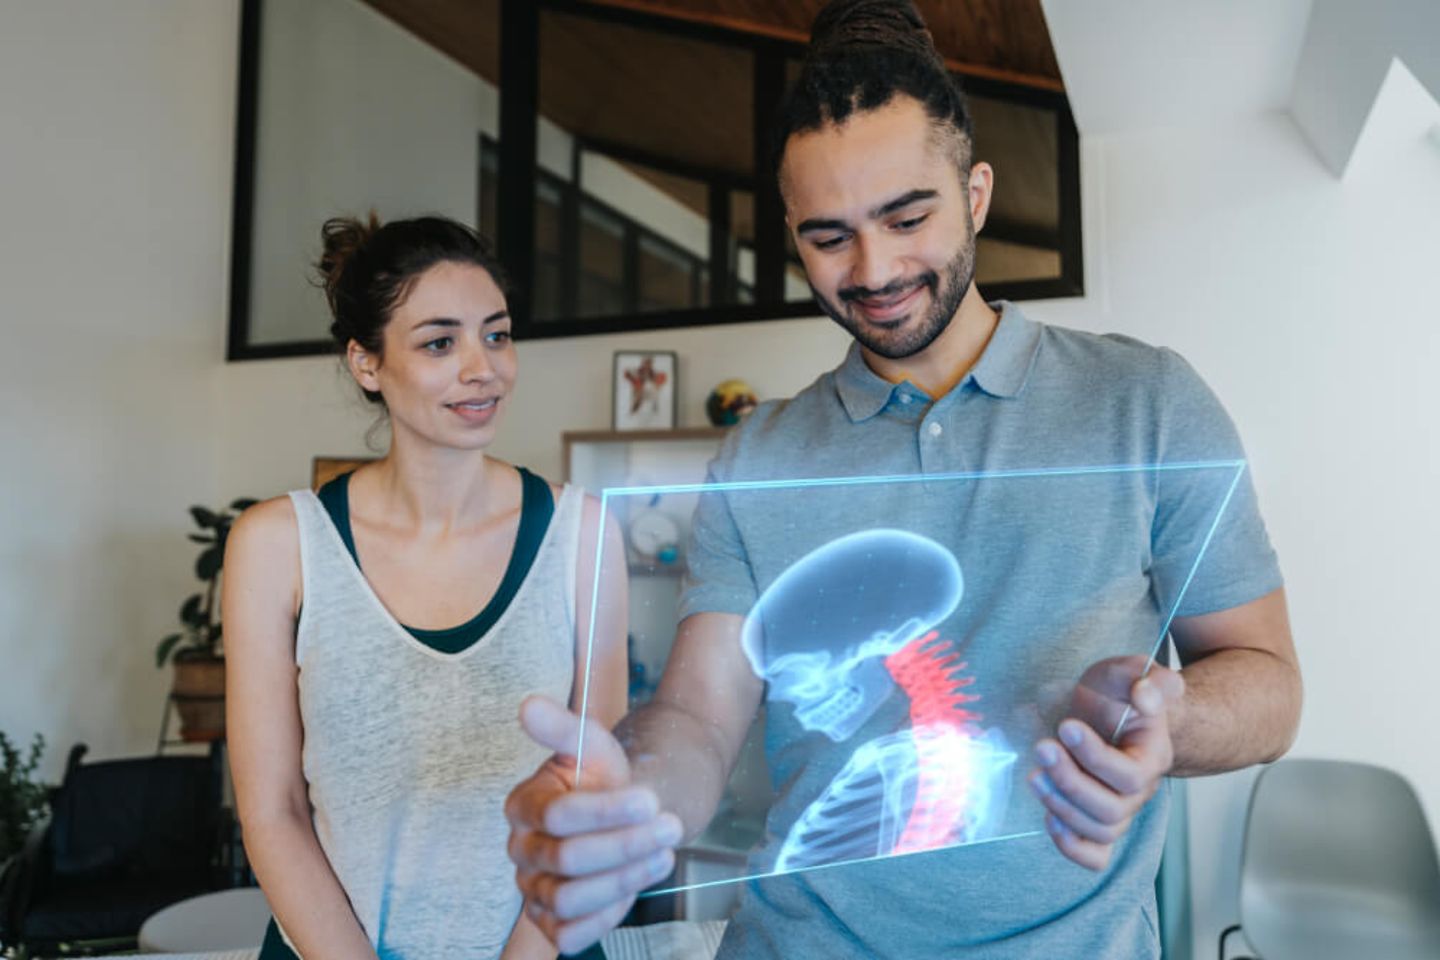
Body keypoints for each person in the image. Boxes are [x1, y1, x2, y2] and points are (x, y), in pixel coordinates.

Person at [504, 1, 1302, 957]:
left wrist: (1177, 720)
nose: (873, 269)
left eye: (906, 216)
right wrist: (623, 796)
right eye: (828, 236)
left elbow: (1268, 682)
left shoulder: (1150, 401)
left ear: (976, 193)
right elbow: (697, 719)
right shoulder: (758, 456)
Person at [224, 214, 627, 960]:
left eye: (497, 334)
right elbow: (272, 809)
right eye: (441, 342)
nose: (485, 367)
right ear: (366, 363)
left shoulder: (583, 536)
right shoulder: (277, 546)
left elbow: (590, 787)